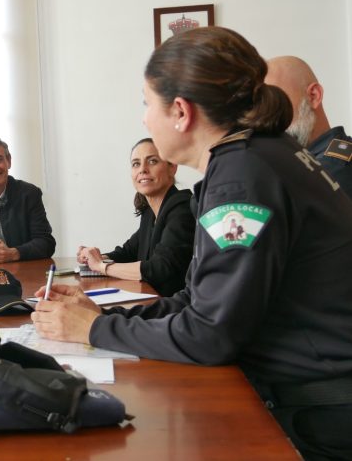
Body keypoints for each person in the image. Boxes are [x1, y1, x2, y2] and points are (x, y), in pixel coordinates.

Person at [31, 27, 352, 460]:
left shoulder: (242, 176)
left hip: (318, 417)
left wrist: (91, 330)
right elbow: (200, 300)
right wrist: (102, 315)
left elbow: (210, 334)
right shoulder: (255, 154)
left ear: (180, 112)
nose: (145, 119)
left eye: (147, 103)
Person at [77, 138, 194, 296]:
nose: (143, 170)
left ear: (172, 167)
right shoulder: (149, 212)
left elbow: (160, 268)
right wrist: (94, 258)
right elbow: (128, 252)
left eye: (152, 161)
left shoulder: (182, 209)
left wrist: (101, 266)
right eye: (136, 164)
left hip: (174, 306)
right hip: (153, 299)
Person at [265, 56, 352, 198]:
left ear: (314, 96)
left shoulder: (332, 170)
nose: (267, 118)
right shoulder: (302, 162)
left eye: (276, 103)